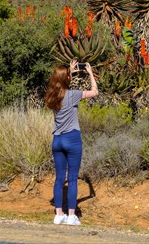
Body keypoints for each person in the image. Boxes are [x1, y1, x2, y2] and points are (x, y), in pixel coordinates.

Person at [44, 60, 98, 225]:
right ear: (66, 78)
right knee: (72, 178)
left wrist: (70, 72)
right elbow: (94, 92)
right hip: (72, 138)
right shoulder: (73, 94)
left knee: (60, 178)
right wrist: (89, 73)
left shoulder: (52, 97)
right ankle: (71, 216)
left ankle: (59, 215)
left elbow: (62, 85)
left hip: (57, 140)